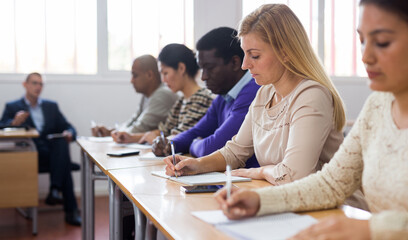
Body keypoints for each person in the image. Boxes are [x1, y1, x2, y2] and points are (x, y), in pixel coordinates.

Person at [215, 1, 408, 239]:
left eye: (382, 43)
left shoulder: (312, 94)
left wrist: (371, 229)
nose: (365, 56)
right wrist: (260, 200)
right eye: (362, 41)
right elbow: (332, 183)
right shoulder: (377, 105)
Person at [163, 4, 345, 186]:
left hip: (333, 209)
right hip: (288, 200)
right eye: (245, 54)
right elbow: (235, 152)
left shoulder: (311, 96)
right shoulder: (264, 93)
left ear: (285, 53)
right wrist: (196, 165)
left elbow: (292, 176)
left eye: (255, 56)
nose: (244, 65)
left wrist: (260, 171)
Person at [153, 27, 260, 168]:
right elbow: (197, 131)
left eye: (209, 68)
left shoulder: (253, 92)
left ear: (234, 63)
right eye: (202, 68)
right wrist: (171, 143)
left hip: (252, 182)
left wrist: (193, 144)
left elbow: (212, 147)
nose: (204, 76)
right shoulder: (224, 96)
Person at [0, 72, 81, 226]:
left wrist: (69, 133)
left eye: (41, 84)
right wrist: (13, 123)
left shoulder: (51, 106)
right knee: (63, 162)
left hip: (52, 153)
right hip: (30, 154)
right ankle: (67, 207)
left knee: (61, 142)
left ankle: (55, 190)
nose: (38, 87)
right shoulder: (12, 107)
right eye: (34, 83)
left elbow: (68, 126)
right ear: (25, 84)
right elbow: (1, 126)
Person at [113, 44, 214, 145]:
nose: (163, 80)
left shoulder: (202, 99)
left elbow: (180, 137)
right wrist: (131, 137)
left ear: (181, 68)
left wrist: (156, 138)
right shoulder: (181, 101)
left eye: (165, 73)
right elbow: (165, 130)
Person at [91, 55, 178, 140]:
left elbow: (138, 129)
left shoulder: (162, 95)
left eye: (135, 75)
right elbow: (132, 122)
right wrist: (110, 131)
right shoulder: (147, 95)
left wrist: (115, 134)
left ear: (149, 75)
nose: (131, 81)